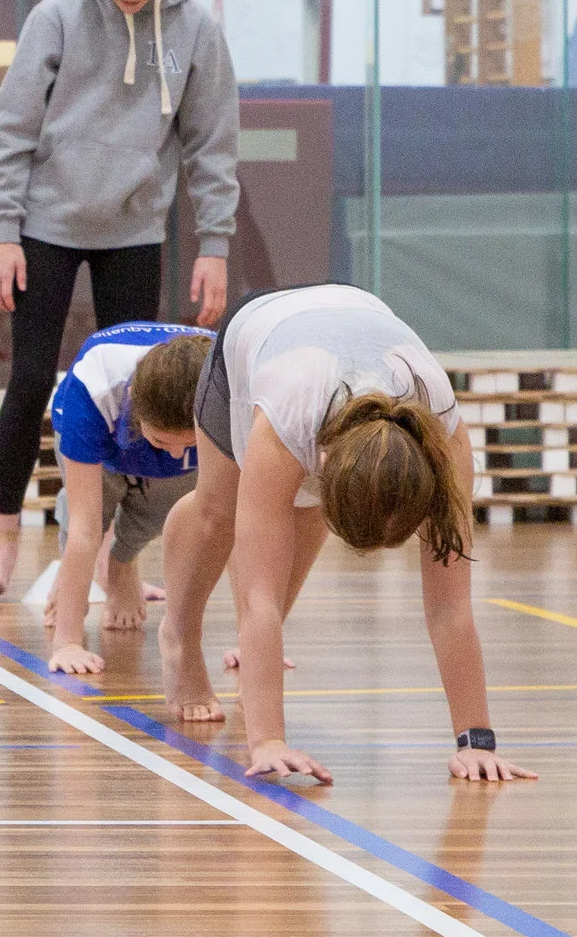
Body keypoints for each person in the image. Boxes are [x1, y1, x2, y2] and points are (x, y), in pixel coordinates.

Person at [0, 0, 241, 596]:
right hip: (44, 225)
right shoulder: (57, 15)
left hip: (134, 228)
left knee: (141, 397)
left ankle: (120, 556)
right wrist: (3, 231)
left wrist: (214, 242)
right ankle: (4, 542)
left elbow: (212, 142)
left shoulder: (195, 29)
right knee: (31, 379)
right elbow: (11, 130)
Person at [159, 283, 532, 785]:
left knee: (303, 515)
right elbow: (257, 599)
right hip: (257, 333)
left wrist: (476, 741)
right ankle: (180, 637)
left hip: (351, 318)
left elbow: (450, 607)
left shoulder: (447, 442)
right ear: (324, 462)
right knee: (218, 511)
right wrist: (268, 740)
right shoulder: (284, 427)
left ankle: (254, 670)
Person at [41, 323, 210, 675]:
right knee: (90, 509)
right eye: (164, 441)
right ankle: (77, 582)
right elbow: (85, 530)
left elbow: (234, 523)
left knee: (165, 511)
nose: (176, 452)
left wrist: (253, 643)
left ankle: (121, 562)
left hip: (184, 423)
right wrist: (67, 641)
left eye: (188, 443)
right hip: (96, 433)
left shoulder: (227, 389)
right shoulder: (92, 388)